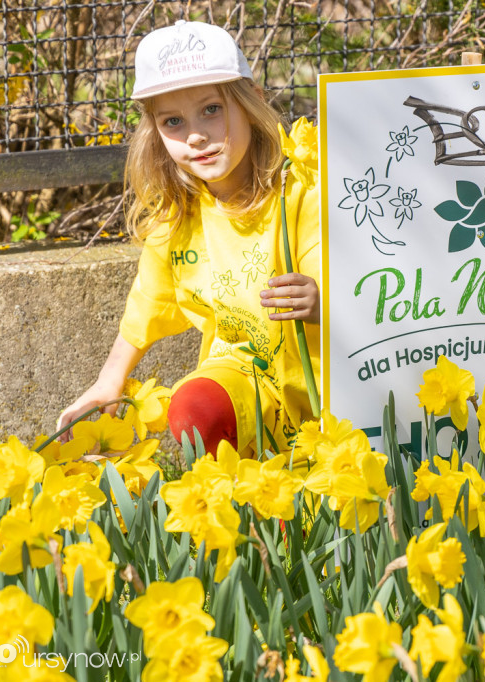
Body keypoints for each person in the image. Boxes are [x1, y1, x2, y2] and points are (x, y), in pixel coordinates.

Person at [57, 20, 320, 457]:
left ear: (250, 101)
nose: (196, 135)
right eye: (173, 121)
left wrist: (323, 301)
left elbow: (375, 286)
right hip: (245, 374)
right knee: (195, 407)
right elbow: (147, 302)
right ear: (155, 130)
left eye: (211, 110)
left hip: (330, 371)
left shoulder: (303, 189)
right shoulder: (179, 213)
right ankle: (236, 507)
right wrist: (108, 382)